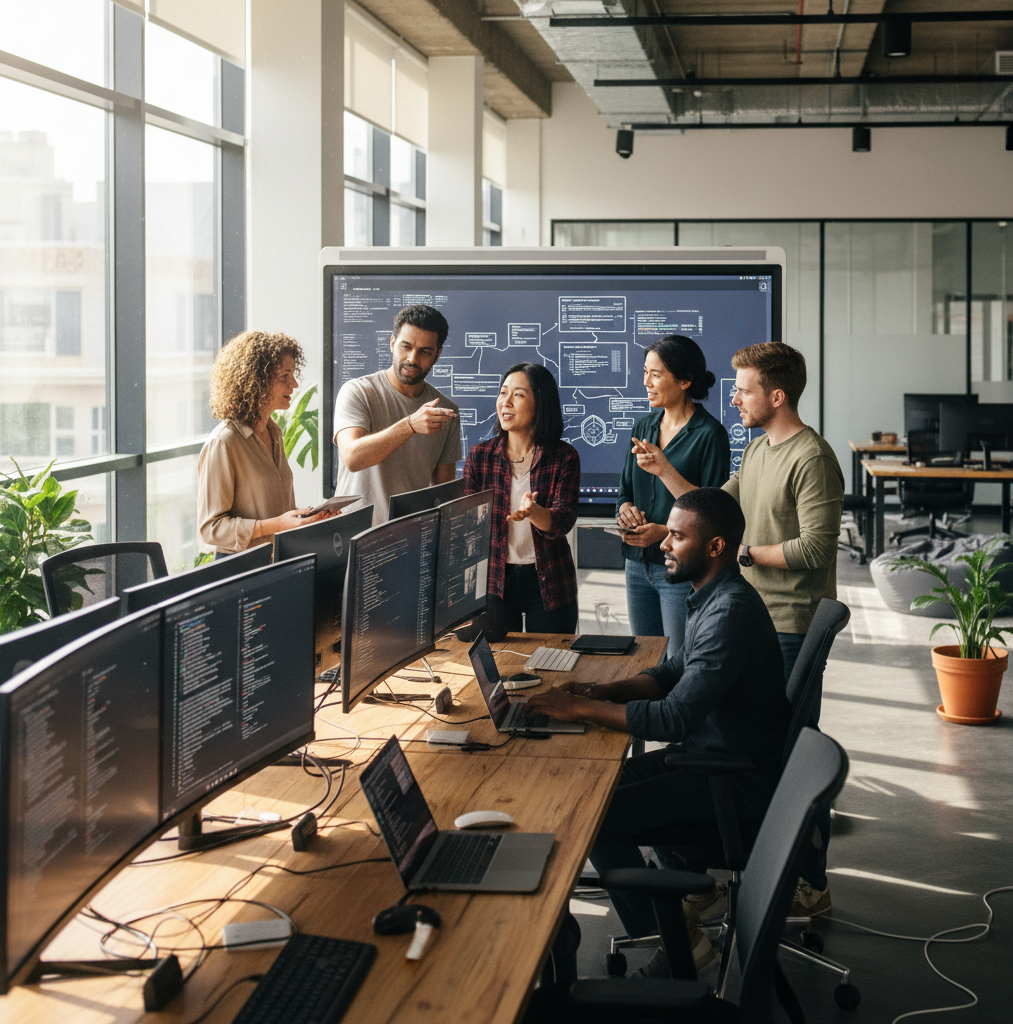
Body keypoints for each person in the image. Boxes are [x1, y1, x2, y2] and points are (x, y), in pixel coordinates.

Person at [526, 487, 789, 970]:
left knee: (597, 816)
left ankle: (677, 942)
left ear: (715, 547)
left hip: (732, 777)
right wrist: (604, 693)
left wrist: (577, 711)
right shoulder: (710, 595)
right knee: (600, 786)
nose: (663, 544)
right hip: (710, 755)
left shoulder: (728, 613)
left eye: (676, 536)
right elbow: (670, 674)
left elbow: (672, 718)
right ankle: (695, 899)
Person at [724, 341, 844, 917]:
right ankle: (761, 868)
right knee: (758, 751)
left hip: (791, 624)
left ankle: (810, 885)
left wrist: (745, 553)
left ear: (776, 395)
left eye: (744, 388)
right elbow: (721, 506)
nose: (735, 397)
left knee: (791, 756)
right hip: (757, 619)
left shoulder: (811, 457)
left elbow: (817, 547)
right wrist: (666, 527)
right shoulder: (756, 451)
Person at [617, 335, 730, 652]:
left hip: (679, 568)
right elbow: (625, 489)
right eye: (645, 372)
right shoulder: (643, 426)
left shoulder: (710, 434)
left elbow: (711, 511)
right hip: (636, 565)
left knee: (678, 662)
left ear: (684, 381)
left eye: (655, 374)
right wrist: (624, 508)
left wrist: (664, 531)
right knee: (644, 658)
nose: (646, 382)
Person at [463, 363, 580, 633]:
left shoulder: (564, 456)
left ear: (541, 403)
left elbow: (563, 519)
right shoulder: (480, 456)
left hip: (549, 580)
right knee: (497, 665)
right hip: (493, 580)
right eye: (503, 393)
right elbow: (469, 526)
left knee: (550, 663)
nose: (506, 402)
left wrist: (534, 512)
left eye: (518, 395)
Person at [198, 330, 335, 555]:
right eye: (284, 376)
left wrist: (309, 518)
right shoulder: (223, 443)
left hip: (276, 565)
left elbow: (279, 513)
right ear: (256, 381)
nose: (294, 384)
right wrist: (275, 525)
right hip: (242, 574)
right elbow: (210, 530)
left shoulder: (274, 432)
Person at [334, 304, 461, 525]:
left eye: (425, 351)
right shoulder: (358, 391)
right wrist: (410, 425)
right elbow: (352, 458)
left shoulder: (446, 410)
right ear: (393, 343)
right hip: (352, 540)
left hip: (409, 540)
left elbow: (443, 493)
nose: (412, 358)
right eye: (406, 346)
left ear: (438, 355)